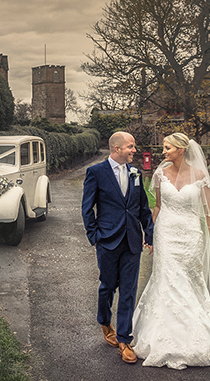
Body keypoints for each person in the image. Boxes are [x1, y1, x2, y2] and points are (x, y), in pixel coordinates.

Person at [130, 132, 210, 369]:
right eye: (164, 148)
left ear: (181, 149)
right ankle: (163, 338)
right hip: (165, 233)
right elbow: (157, 206)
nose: (163, 152)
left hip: (190, 236)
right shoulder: (159, 174)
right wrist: (150, 234)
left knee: (188, 283)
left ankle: (193, 338)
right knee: (168, 281)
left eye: (167, 148)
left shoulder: (200, 176)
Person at [81, 131, 155, 364]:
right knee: (108, 286)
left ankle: (124, 339)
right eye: (131, 147)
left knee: (129, 291)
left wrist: (149, 234)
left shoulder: (136, 173)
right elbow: (87, 208)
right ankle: (104, 321)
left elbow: (143, 206)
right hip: (107, 240)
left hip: (132, 240)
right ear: (117, 149)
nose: (134, 150)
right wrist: (95, 236)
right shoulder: (96, 173)